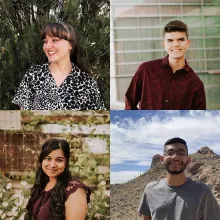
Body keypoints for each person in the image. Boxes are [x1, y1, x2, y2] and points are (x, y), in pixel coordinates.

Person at [12, 22, 106, 110]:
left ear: (70, 45)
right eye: (45, 41)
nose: (48, 46)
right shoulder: (33, 75)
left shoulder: (87, 83)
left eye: (55, 40)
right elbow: (24, 118)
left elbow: (98, 122)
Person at [125, 20, 206, 110]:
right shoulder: (146, 70)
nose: (175, 44)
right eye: (170, 40)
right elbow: (129, 105)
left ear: (188, 43)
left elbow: (199, 119)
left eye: (181, 40)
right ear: (164, 44)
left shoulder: (196, 83)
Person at [138, 137, 220, 220]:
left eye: (181, 153)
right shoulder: (150, 189)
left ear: (188, 160)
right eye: (170, 153)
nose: (175, 157)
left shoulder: (202, 191)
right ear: (162, 159)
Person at [25, 138, 91, 220]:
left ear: (66, 162)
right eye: (48, 158)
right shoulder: (43, 184)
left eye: (59, 160)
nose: (52, 165)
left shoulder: (75, 191)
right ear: (42, 160)